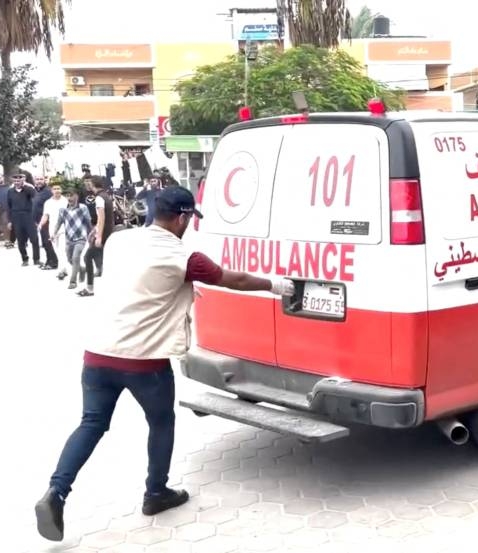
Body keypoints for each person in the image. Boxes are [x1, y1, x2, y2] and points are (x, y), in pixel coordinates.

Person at [34, 187, 295, 541]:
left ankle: (56, 492)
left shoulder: (119, 241)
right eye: (189, 219)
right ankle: (156, 493)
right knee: (161, 422)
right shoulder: (184, 257)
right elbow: (235, 279)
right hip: (144, 362)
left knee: (91, 424)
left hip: (97, 354)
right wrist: (278, 285)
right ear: (183, 218)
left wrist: (180, 289)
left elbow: (140, 281)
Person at [77, 176, 112, 297]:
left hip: (104, 233)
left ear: (93, 184)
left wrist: (99, 236)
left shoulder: (99, 198)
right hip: (107, 231)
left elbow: (101, 218)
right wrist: (94, 231)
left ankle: (90, 288)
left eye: (90, 183)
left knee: (87, 257)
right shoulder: (106, 196)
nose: (88, 186)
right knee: (100, 257)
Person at [53, 190, 91, 289]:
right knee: (70, 259)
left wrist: (91, 234)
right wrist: (54, 233)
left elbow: (88, 222)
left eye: (71, 195)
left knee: (75, 257)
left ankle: (73, 281)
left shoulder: (83, 208)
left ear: (77, 196)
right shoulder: (63, 210)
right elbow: (58, 223)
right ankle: (82, 269)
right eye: (67, 196)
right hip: (69, 239)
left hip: (81, 237)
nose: (69, 198)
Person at [6, 174, 40, 267]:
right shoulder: (10, 192)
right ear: (13, 182)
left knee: (34, 239)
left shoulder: (27, 190)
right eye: (15, 181)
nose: (17, 183)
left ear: (22, 181)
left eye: (19, 181)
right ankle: (25, 259)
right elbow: (8, 207)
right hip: (16, 217)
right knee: (20, 240)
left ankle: (36, 259)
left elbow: (34, 195)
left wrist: (25, 186)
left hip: (28, 216)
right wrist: (9, 221)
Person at [32, 176, 59, 271]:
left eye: (41, 179)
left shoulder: (48, 192)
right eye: (37, 179)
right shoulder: (35, 191)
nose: (39, 181)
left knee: (48, 242)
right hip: (38, 221)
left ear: (44, 180)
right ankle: (48, 261)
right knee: (44, 242)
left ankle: (53, 262)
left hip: (46, 220)